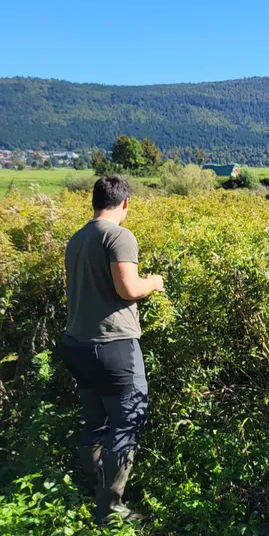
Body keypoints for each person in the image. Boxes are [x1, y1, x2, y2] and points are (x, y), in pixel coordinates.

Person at [60, 176, 164, 524]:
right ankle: (111, 510)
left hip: (77, 344)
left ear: (94, 201)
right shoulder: (118, 235)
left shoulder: (77, 239)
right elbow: (128, 287)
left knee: (95, 421)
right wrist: (154, 282)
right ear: (125, 203)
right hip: (113, 346)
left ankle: (94, 487)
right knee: (127, 421)